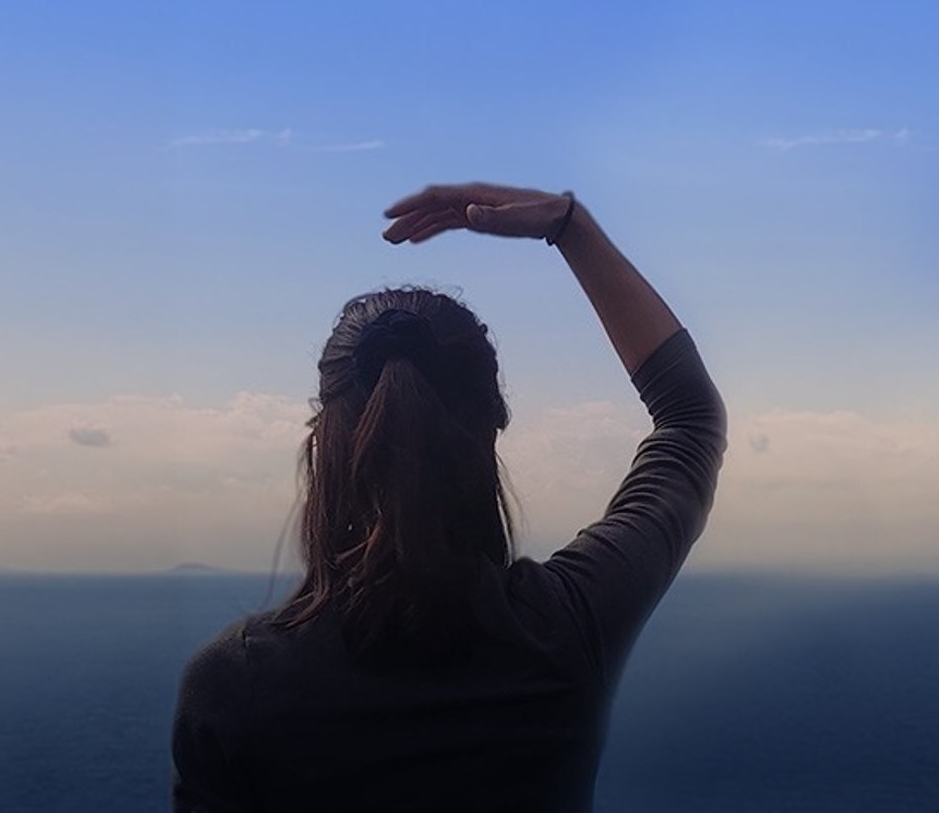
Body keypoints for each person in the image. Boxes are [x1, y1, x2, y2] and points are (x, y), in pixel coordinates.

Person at [172, 183, 726, 812]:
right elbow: (690, 419)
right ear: (492, 426)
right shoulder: (568, 626)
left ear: (324, 442)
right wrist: (571, 227)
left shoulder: (232, 684)